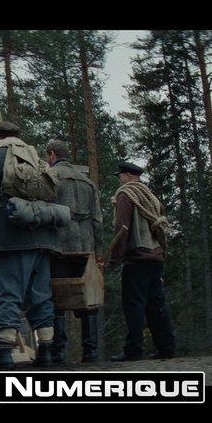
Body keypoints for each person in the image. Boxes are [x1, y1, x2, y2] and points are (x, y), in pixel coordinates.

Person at [0, 121, 59, 370]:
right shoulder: (37, 158)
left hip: (11, 236)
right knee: (41, 294)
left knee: (9, 292)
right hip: (42, 234)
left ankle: (4, 353)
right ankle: (46, 351)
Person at [107, 161, 175, 361]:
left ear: (128, 175)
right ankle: (166, 347)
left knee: (133, 305)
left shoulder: (126, 194)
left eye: (120, 175)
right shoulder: (151, 197)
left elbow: (121, 229)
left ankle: (133, 349)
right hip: (156, 256)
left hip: (137, 257)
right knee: (156, 303)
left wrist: (113, 260)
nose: (119, 179)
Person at [45, 140, 103, 364]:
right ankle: (90, 352)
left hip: (59, 245)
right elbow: (97, 220)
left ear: (51, 155)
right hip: (85, 246)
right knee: (87, 298)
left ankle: (58, 351)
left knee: (56, 298)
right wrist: (97, 252)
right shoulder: (87, 183)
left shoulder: (50, 177)